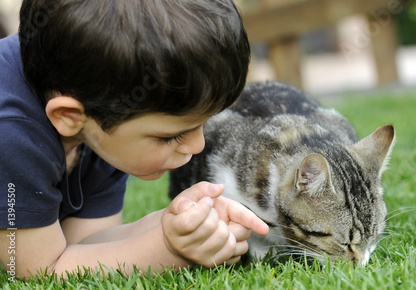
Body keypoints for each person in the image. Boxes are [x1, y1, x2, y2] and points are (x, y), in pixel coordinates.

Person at [0, 0, 269, 279]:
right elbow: (41, 269)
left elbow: (84, 242)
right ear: (69, 116)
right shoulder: (11, 133)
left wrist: (172, 227)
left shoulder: (103, 103)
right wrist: (168, 250)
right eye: (171, 136)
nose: (197, 146)